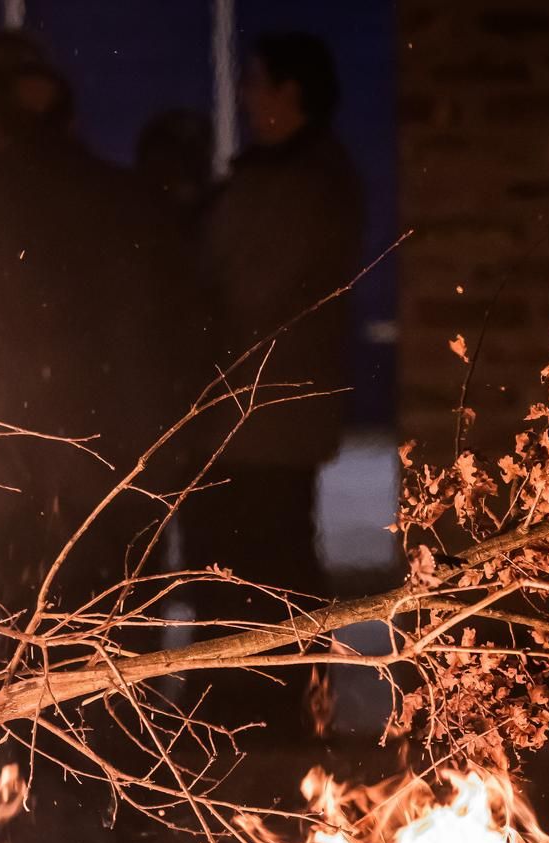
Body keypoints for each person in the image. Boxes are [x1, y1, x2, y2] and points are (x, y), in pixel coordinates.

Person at [0, 37, 195, 617]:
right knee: (116, 607)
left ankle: (31, 703)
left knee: (30, 607)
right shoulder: (117, 197)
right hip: (105, 442)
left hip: (25, 440)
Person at [193, 32, 364, 604]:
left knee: (260, 567)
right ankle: (276, 684)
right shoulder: (295, 176)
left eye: (256, 82)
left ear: (289, 92)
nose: (244, 95)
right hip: (262, 410)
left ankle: (270, 687)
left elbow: (242, 286)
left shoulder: (299, 187)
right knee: (265, 558)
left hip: (262, 412)